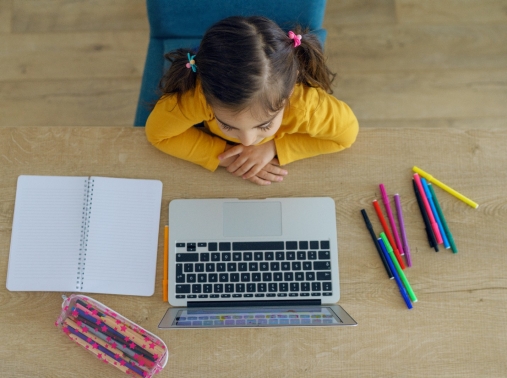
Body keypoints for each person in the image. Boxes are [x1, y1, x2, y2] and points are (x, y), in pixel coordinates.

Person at [146, 16, 359, 185]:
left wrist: (275, 147)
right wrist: (225, 156)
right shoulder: (199, 97)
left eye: (264, 125)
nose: (247, 141)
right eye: (227, 125)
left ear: (288, 95)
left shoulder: (306, 107)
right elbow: (158, 135)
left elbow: (346, 136)